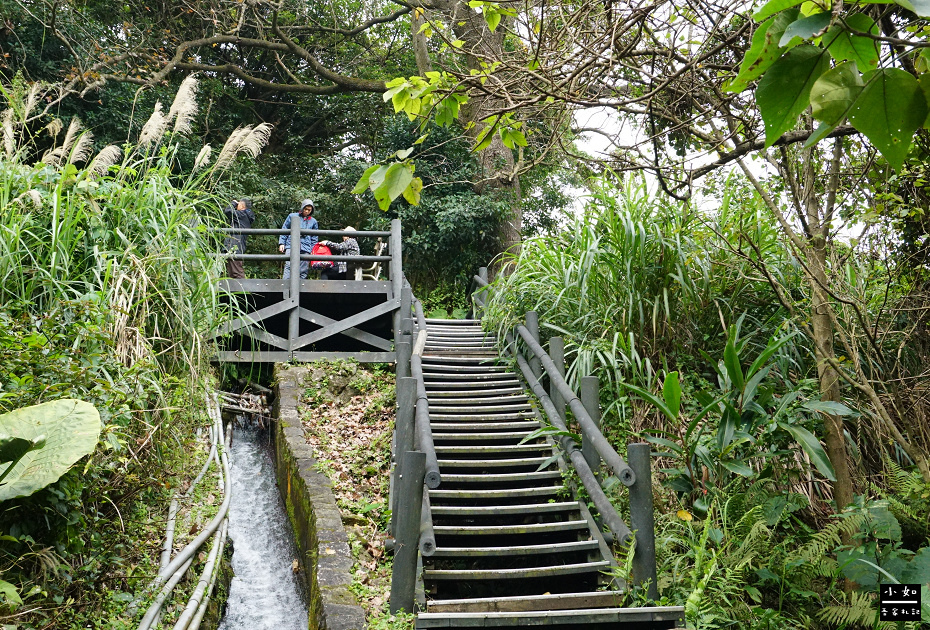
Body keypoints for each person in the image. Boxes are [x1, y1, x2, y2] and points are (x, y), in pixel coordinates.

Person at [279, 198, 319, 279]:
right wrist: (282, 243)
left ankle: (300, 290)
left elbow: (314, 238)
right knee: (289, 266)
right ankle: (285, 289)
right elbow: (285, 230)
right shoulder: (292, 216)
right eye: (306, 209)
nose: (307, 211)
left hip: (306, 247)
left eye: (309, 210)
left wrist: (313, 250)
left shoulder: (313, 221)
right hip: (291, 244)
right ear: (302, 208)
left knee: (303, 269)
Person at [223, 198, 255, 279]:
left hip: (235, 246)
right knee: (233, 273)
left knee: (237, 272)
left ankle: (244, 290)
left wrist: (233, 203)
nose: (237, 206)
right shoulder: (243, 216)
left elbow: (228, 211)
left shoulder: (242, 215)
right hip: (235, 246)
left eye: (239, 204)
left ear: (242, 206)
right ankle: (238, 290)